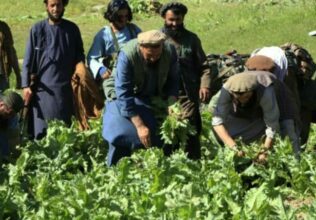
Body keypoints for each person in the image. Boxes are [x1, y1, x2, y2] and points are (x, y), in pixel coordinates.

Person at [102, 30, 179, 166]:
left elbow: (174, 80)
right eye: (149, 55)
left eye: (157, 55)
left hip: (150, 94)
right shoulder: (127, 55)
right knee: (121, 132)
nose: (154, 58)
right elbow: (123, 93)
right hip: (121, 94)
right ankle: (115, 171)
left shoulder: (169, 51)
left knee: (161, 132)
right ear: (141, 47)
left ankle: (160, 167)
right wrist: (140, 125)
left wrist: (172, 102)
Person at [21, 0, 85, 139]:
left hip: (65, 90)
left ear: (64, 6)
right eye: (52, 5)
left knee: (64, 135)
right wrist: (26, 85)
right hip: (42, 91)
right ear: (47, 6)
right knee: (41, 135)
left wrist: (80, 72)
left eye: (59, 5)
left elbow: (80, 55)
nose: (56, 9)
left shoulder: (72, 29)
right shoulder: (37, 29)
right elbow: (28, 59)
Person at [160, 2, 211, 159]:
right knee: (167, 133)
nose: (174, 24)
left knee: (191, 132)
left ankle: (193, 165)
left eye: (178, 20)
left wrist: (205, 85)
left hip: (188, 94)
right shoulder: (157, 40)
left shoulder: (192, 39)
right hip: (163, 96)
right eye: (171, 20)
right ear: (164, 18)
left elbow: (204, 67)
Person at [212, 70, 298, 162]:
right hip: (256, 101)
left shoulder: (266, 92)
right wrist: (234, 147)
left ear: (252, 91)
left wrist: (264, 151)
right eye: (239, 99)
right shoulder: (227, 88)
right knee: (239, 127)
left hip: (279, 96)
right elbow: (217, 122)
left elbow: (272, 125)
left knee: (287, 133)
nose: (243, 100)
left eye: (247, 97)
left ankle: (294, 164)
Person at [245, 56, 301, 156]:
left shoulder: (274, 87)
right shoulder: (247, 83)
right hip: (267, 116)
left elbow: (274, 126)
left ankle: (294, 167)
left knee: (289, 142)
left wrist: (264, 152)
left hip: (284, 114)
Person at [87, 0, 141, 99]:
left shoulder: (133, 30)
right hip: (114, 76)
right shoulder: (104, 35)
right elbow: (91, 58)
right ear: (111, 16)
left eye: (126, 16)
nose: (124, 20)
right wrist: (100, 69)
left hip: (135, 72)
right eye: (120, 17)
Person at [0, 91, 23, 161]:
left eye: (12, 115)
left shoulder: (13, 117)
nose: (10, 117)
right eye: (7, 114)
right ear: (1, 104)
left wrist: (17, 161)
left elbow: (14, 138)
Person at [0, 20, 21, 92]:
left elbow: (11, 50)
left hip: (3, 73)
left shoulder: (3, 27)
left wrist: (18, 75)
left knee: (3, 100)